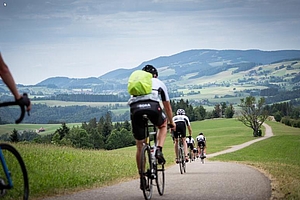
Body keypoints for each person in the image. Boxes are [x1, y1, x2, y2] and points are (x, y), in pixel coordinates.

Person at [128, 64, 175, 189]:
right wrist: (171, 122)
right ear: (155, 75)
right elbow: (167, 106)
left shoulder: (139, 83)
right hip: (153, 107)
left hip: (136, 109)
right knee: (162, 125)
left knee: (139, 145)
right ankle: (158, 149)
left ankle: (142, 177)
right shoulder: (159, 82)